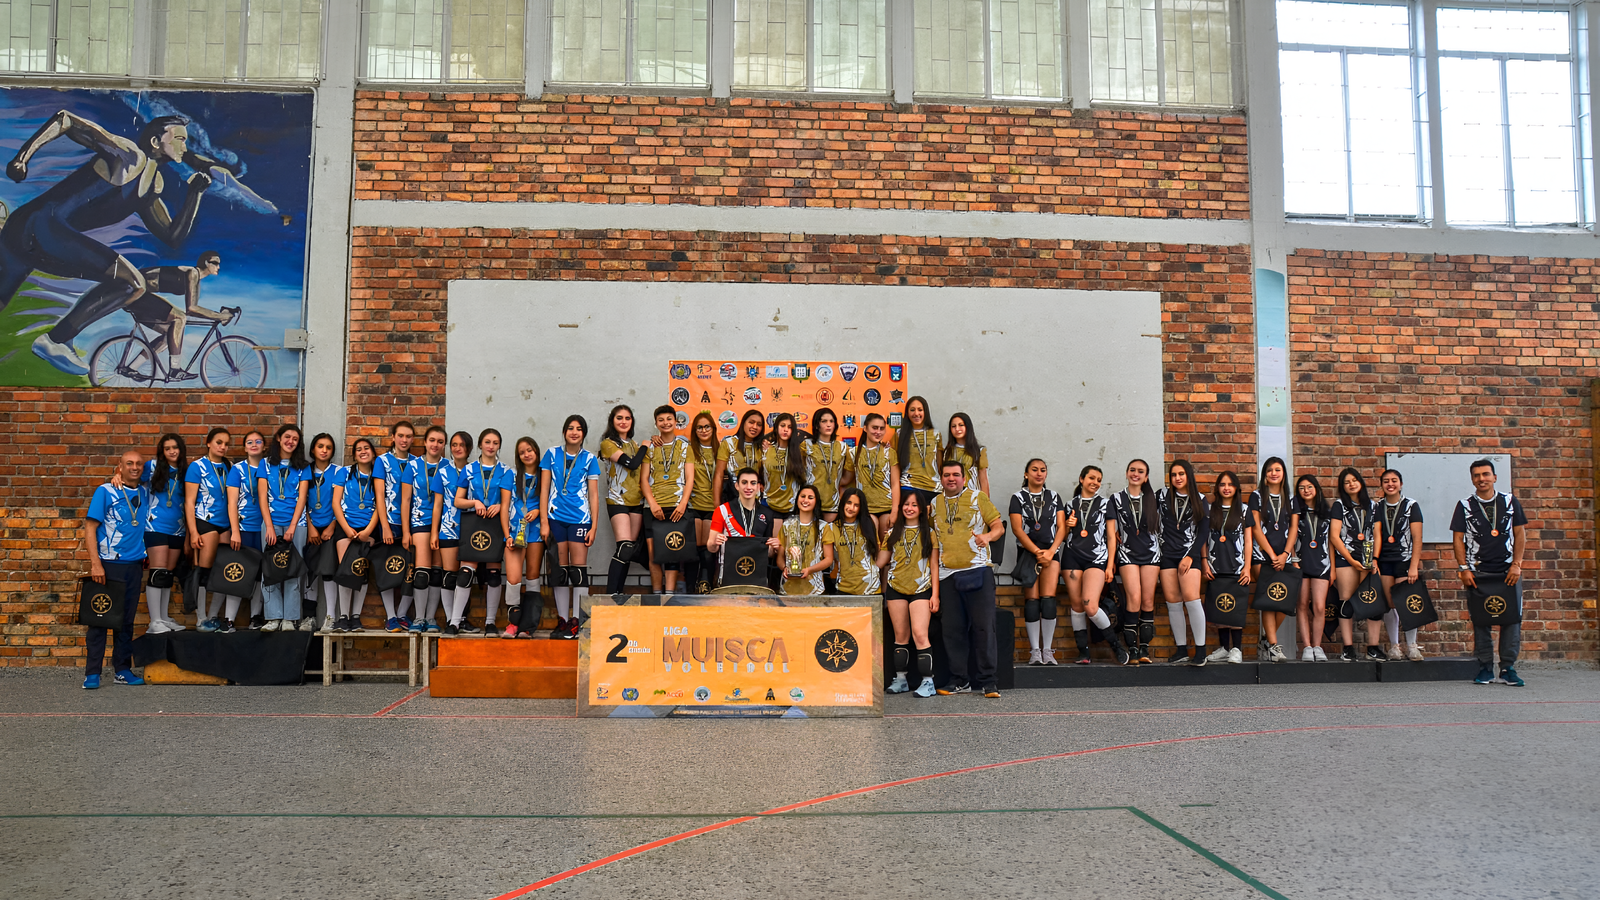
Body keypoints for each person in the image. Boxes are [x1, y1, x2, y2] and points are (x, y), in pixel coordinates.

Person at [3, 112, 220, 374]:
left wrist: (194, 195)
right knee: (132, 282)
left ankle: (57, 340)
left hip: (33, 237)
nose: (185, 147)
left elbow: (172, 237)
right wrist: (21, 158)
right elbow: (66, 120)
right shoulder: (128, 155)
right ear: (154, 141)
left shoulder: (152, 185)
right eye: (180, 139)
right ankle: (56, 340)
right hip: (38, 226)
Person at [930, 460, 1006, 698]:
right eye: (946, 475)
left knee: (984, 628)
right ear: (940, 478)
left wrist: (987, 536)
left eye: (955, 475)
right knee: (953, 630)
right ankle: (959, 680)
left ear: (964, 478)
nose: (951, 479)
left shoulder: (978, 497)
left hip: (977, 570)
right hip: (948, 573)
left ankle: (988, 681)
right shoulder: (933, 504)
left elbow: (999, 528)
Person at [1451, 459, 1529, 686]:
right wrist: (1463, 568)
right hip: (1477, 572)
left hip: (1508, 570)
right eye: (1476, 475)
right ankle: (1485, 667)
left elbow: (1520, 534)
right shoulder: (1464, 505)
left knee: (1512, 620)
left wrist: (1517, 564)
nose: (1481, 479)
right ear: (1472, 479)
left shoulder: (1510, 501)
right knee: (1481, 620)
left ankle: (1508, 668)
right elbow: (1458, 538)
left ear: (1495, 477)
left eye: (1486, 474)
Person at [81, 449, 148, 689]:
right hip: (108, 565)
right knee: (99, 619)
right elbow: (90, 528)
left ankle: (122, 670)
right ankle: (92, 673)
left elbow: (159, 468)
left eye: (139, 464)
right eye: (129, 463)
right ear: (119, 467)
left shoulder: (145, 491)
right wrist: (96, 563)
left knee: (125, 622)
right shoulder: (105, 491)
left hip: (134, 566)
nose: (135, 467)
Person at [122, 253, 231, 380]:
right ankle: (175, 370)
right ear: (207, 263)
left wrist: (218, 316)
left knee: (169, 336)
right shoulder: (193, 273)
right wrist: (219, 316)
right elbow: (191, 309)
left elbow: (193, 307)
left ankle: (131, 368)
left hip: (135, 296)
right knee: (179, 317)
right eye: (216, 263)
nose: (218, 267)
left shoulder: (196, 281)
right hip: (135, 292)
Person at [541, 415, 601, 639]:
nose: (574, 432)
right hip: (555, 518)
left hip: (580, 519)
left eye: (579, 429)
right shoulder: (552, 454)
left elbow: (594, 495)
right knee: (560, 571)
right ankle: (563, 620)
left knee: (578, 570)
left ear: (584, 433)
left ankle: (578, 620)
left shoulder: (589, 459)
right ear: (564, 431)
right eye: (570, 428)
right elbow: (544, 489)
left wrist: (594, 526)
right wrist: (545, 522)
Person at [1063, 465, 1129, 666]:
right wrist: (1067, 526)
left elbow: (1111, 536)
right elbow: (1062, 537)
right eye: (1091, 478)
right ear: (1081, 479)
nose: (1095, 482)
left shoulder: (1105, 503)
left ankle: (1116, 646)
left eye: (1099, 479)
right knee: (1076, 606)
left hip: (1096, 558)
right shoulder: (1070, 504)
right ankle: (1083, 652)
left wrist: (1110, 565)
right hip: (1072, 557)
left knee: (1089, 604)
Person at [452, 429, 511, 635]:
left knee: (494, 576)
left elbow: (509, 500)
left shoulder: (506, 471)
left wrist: (500, 506)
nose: (491, 446)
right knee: (465, 574)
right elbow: (457, 501)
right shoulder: (468, 470)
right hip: (473, 525)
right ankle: (455, 622)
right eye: (487, 441)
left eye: (495, 442)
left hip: (495, 525)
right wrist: (475, 501)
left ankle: (490, 622)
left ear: (499, 446)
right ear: (480, 444)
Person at [878, 491, 937, 696]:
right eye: (905, 504)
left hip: (921, 588)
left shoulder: (929, 532)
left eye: (914, 505)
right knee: (900, 636)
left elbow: (934, 565)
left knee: (920, 634)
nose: (909, 508)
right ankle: (901, 679)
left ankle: (928, 682)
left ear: (921, 509)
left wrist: (935, 594)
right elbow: (880, 562)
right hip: (896, 588)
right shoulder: (893, 532)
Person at [1010, 459, 1065, 665]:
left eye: (1043, 470)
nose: (1039, 473)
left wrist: (1050, 552)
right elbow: (1016, 529)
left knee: (1048, 599)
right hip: (1028, 553)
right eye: (1034, 470)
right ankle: (1035, 651)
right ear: (1026, 474)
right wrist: (1036, 551)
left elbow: (1061, 527)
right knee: (1032, 601)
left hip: (1051, 553)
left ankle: (1048, 650)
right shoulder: (1018, 497)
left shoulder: (1054, 496)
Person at [255, 425, 309, 631]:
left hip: (296, 525)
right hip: (271, 523)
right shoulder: (266, 464)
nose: (291, 441)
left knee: (293, 569)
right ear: (278, 438)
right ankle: (273, 617)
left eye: (295, 439)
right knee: (270, 569)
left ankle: (290, 617)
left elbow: (302, 498)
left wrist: (293, 527)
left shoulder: (303, 467)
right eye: (287, 437)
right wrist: (269, 526)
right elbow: (262, 496)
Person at [1158, 460, 1210, 665]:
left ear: (1188, 475)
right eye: (1173, 474)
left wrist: (1190, 556)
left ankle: (1200, 650)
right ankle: (1181, 649)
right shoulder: (1162, 496)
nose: (1177, 478)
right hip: (1167, 555)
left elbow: (1203, 532)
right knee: (1173, 602)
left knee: (1191, 598)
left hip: (1190, 554)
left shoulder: (1200, 499)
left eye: (1181, 474)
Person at [1330, 467, 1383, 663]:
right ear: (1342, 487)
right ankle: (1348, 648)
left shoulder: (1373, 506)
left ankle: (1373, 647)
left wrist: (1375, 559)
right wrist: (1351, 560)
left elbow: (1378, 534)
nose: (1351, 484)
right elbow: (1334, 536)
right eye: (1346, 482)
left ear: (1360, 482)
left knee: (1373, 601)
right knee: (1346, 602)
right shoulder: (1338, 505)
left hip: (1369, 559)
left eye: (1354, 480)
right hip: (1346, 559)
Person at [1111, 459, 1162, 665]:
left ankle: (1144, 649)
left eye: (1140, 471)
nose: (1136, 474)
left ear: (1146, 476)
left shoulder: (1154, 498)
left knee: (1148, 601)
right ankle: (1131, 648)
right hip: (1127, 553)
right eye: (1132, 470)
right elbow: (1110, 528)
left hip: (1150, 553)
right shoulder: (1116, 498)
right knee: (1134, 598)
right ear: (1126, 473)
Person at [642, 405, 695, 593]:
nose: (665, 423)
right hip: (653, 507)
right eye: (661, 420)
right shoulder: (649, 447)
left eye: (669, 419)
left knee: (673, 552)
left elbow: (690, 478)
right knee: (653, 554)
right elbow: (643, 480)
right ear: (656, 423)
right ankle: (657, 596)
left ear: (675, 421)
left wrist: (682, 504)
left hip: (676, 506)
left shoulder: (685, 447)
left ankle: (669, 597)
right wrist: (653, 504)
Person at [138, 433, 187, 633]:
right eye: (167, 448)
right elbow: (131, 478)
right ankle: (154, 621)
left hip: (178, 528)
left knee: (167, 573)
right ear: (162, 451)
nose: (172, 451)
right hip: (154, 526)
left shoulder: (187, 471)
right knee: (157, 571)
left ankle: (164, 617)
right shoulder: (152, 466)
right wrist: (117, 476)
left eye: (175, 447)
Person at [1202, 470, 1253, 664]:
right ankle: (1224, 648)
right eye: (1222, 484)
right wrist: (1204, 561)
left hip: (1237, 567)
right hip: (1215, 566)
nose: (1226, 488)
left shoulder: (1244, 510)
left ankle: (1237, 649)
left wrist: (1247, 567)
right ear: (1217, 488)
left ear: (1236, 488)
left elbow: (1248, 541)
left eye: (1230, 484)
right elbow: (1204, 539)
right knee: (1219, 608)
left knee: (1236, 607)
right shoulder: (1209, 509)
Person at [1250, 457, 1297, 662]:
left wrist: (1285, 554)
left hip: (1284, 556)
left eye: (1277, 469)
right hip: (1262, 556)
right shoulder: (1257, 496)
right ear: (1265, 475)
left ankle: (1265, 641)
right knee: (1269, 601)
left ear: (1283, 473)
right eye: (1269, 470)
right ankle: (1273, 646)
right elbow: (1256, 528)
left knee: (1284, 600)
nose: (1273, 473)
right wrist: (1271, 555)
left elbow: (1294, 528)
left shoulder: (1292, 498)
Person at [330, 438, 379, 632]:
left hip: (369, 528)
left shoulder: (378, 475)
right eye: (358, 449)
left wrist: (368, 531)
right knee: (346, 572)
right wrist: (347, 528)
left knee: (362, 571)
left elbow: (380, 506)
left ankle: (356, 616)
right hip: (346, 528)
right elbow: (335, 503)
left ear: (373, 453)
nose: (363, 452)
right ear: (354, 455)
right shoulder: (344, 472)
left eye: (366, 448)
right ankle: (343, 616)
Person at [402, 426, 447, 633]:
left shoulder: (449, 466)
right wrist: (405, 531)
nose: (435, 445)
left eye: (440, 441)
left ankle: (431, 618)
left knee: (437, 572)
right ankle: (418, 618)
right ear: (425, 442)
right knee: (422, 572)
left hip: (444, 524)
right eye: (432, 440)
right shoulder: (412, 466)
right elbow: (406, 500)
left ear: (444, 445)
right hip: (420, 522)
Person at [1377, 468, 1425, 660]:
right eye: (1386, 481)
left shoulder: (1411, 506)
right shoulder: (1377, 507)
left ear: (1401, 483)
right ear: (1381, 485)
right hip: (1384, 560)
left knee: (1406, 602)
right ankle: (1395, 646)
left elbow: (1417, 537)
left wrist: (1414, 565)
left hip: (1404, 559)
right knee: (1389, 603)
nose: (1390, 484)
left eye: (1394, 480)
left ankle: (1412, 645)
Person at [185, 427, 230, 632]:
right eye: (219, 442)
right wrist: (193, 531)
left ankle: (213, 616)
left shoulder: (229, 466)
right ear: (208, 443)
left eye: (226, 444)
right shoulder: (197, 467)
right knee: (204, 570)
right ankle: (201, 618)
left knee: (223, 573)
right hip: (205, 521)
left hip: (226, 523)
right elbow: (189, 501)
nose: (223, 447)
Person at [599, 405, 646, 595]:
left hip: (637, 501)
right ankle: (611, 595)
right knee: (625, 546)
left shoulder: (634, 444)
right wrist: (646, 446)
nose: (623, 421)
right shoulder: (608, 443)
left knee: (628, 551)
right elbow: (633, 464)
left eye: (627, 418)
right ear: (612, 421)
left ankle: (619, 595)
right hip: (617, 499)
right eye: (619, 418)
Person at [372, 421, 414, 632]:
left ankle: (403, 613)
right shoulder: (382, 461)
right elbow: (379, 495)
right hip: (390, 522)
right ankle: (391, 617)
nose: (404, 440)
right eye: (401, 436)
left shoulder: (417, 462)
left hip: (413, 522)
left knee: (412, 568)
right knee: (388, 566)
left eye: (408, 436)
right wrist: (385, 525)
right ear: (393, 437)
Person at [224, 429, 267, 631]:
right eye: (249, 441)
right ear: (244, 447)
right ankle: (229, 618)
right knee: (238, 572)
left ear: (264, 446)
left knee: (260, 574)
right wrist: (234, 531)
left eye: (258, 441)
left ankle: (256, 617)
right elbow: (231, 502)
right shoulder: (238, 470)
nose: (254, 444)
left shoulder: (270, 467)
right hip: (242, 528)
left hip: (265, 529)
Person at [501, 437, 545, 639]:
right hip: (515, 530)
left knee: (533, 577)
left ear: (536, 451)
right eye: (522, 452)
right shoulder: (510, 474)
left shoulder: (545, 475)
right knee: (513, 579)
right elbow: (504, 507)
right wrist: (506, 534)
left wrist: (537, 511)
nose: (527, 454)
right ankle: (513, 624)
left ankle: (527, 626)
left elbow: (548, 500)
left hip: (535, 529)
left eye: (530, 450)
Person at [430, 431, 472, 633]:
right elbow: (437, 505)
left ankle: (461, 618)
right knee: (449, 576)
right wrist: (433, 532)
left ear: (469, 448)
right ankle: (451, 620)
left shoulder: (475, 470)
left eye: (461, 445)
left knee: (466, 576)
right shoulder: (443, 471)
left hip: (471, 529)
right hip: (448, 528)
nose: (457, 448)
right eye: (454, 445)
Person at [707, 467, 779, 579]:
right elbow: (711, 547)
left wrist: (774, 547)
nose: (748, 487)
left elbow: (768, 553)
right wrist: (715, 542)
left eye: (753, 483)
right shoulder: (722, 510)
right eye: (744, 482)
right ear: (737, 486)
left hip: (756, 573)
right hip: (728, 571)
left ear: (759, 487)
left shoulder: (767, 514)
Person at [1293, 474, 1333, 661]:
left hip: (1322, 563)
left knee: (1319, 606)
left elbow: (1331, 541)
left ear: (1316, 489)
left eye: (1309, 486)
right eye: (1301, 487)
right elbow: (1290, 536)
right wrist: (1293, 558)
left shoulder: (1327, 511)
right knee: (1301, 604)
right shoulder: (1295, 511)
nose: (1306, 490)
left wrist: (1332, 568)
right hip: (1300, 562)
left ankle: (1318, 646)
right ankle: (1307, 647)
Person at [304, 434, 341, 631]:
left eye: (328, 447)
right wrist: (310, 526)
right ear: (313, 450)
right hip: (310, 527)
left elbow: (342, 502)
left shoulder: (339, 472)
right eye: (320, 446)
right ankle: (309, 617)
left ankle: (330, 616)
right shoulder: (305, 471)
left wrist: (332, 525)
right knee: (309, 571)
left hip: (330, 527)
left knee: (328, 572)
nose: (324, 450)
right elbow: (299, 501)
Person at [686, 411, 721, 593]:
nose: (703, 430)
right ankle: (691, 588)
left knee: (709, 548)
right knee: (693, 549)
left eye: (707, 426)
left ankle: (706, 585)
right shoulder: (688, 448)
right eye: (699, 427)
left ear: (713, 429)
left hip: (712, 506)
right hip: (693, 505)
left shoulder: (721, 449)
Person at [780, 484, 835, 597]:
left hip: (814, 588)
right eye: (803, 496)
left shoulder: (823, 527)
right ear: (797, 499)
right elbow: (780, 557)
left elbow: (829, 559)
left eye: (810, 498)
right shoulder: (787, 525)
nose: (805, 500)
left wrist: (809, 570)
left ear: (816, 502)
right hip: (788, 587)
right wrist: (784, 568)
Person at [853, 413, 899, 538]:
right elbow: (846, 480)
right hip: (865, 507)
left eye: (881, 428)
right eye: (874, 428)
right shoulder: (853, 452)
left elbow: (895, 484)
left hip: (886, 506)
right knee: (871, 546)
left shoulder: (890, 452)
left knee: (886, 546)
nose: (878, 432)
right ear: (865, 428)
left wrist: (895, 511)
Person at [830, 488, 880, 597]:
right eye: (849, 503)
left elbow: (877, 551)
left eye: (856, 505)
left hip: (870, 586)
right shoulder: (832, 527)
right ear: (843, 503)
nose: (851, 508)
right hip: (844, 585)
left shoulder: (869, 523)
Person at [895, 397, 942, 508]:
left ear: (925, 412)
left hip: (933, 487)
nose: (916, 413)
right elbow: (895, 464)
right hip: (908, 485)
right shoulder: (899, 434)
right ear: (907, 413)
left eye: (920, 410)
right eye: (912, 410)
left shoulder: (935, 434)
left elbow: (940, 464)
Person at [803, 407, 849, 521]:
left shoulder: (842, 447)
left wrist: (835, 481)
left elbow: (848, 477)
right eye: (824, 421)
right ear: (817, 425)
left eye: (831, 421)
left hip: (832, 502)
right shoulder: (806, 445)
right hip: (810, 500)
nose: (828, 425)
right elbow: (798, 470)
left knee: (828, 537)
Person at [762, 412, 804, 526]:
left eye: (789, 427)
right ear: (776, 428)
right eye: (782, 426)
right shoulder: (766, 450)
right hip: (769, 503)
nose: (785, 430)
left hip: (792, 506)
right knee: (773, 542)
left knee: (788, 542)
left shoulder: (800, 452)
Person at [715, 410, 764, 505]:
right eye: (751, 422)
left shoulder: (763, 446)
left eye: (759, 424)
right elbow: (719, 475)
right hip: (732, 496)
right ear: (743, 423)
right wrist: (717, 504)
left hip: (756, 499)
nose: (755, 427)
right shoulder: (729, 443)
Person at [943, 412, 990, 499]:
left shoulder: (978, 451)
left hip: (972, 497)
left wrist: (986, 503)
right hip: (952, 498)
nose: (957, 429)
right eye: (953, 426)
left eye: (961, 425)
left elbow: (983, 478)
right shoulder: (947, 451)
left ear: (968, 427)